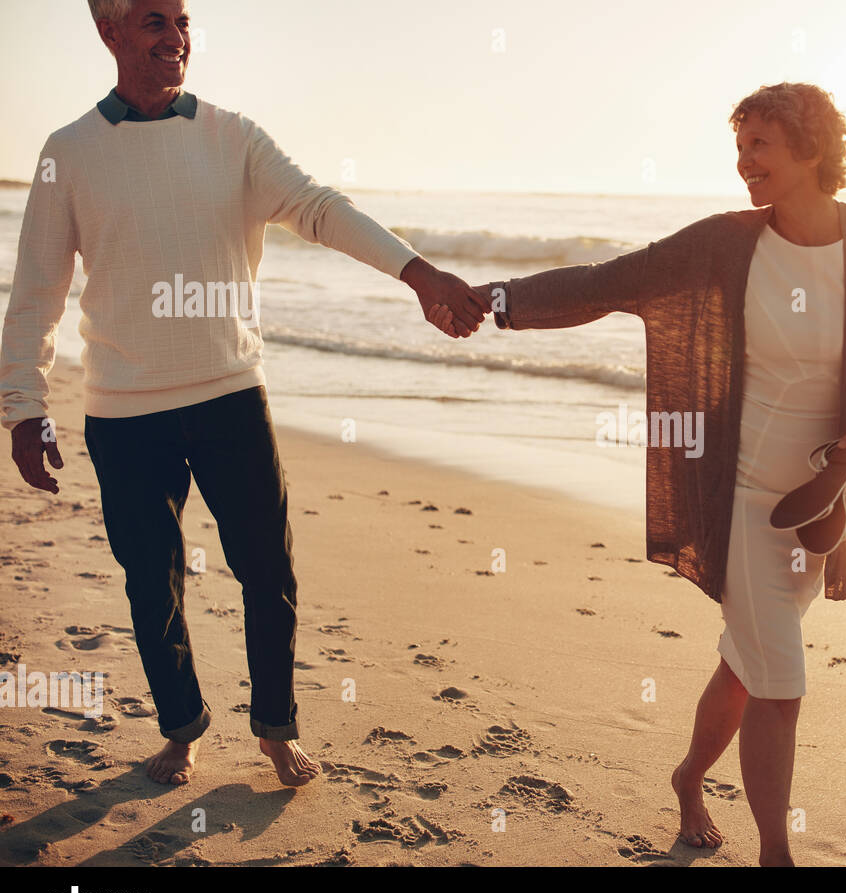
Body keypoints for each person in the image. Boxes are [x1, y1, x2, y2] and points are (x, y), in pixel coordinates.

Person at [0, 0, 487, 787]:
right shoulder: (69, 154)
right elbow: (37, 294)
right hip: (124, 410)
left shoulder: (233, 136)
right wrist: (23, 407)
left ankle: (275, 727)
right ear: (110, 31)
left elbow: (321, 209)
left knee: (268, 570)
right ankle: (182, 728)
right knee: (150, 579)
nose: (176, 37)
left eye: (184, 20)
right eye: (155, 21)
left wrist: (418, 274)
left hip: (231, 395)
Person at [458, 82, 846, 865]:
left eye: (760, 145)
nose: (743, 161)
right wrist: (500, 299)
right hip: (745, 495)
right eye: (740, 144)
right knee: (781, 682)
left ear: (812, 150)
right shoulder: (727, 242)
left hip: (822, 503)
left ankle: (688, 779)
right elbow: (607, 282)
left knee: (749, 663)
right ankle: (776, 854)